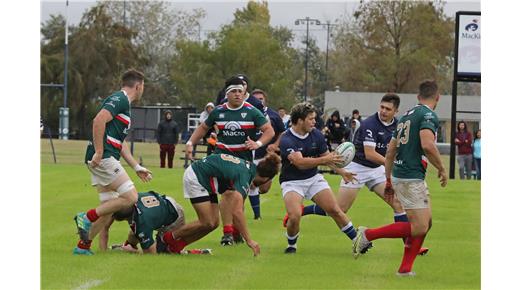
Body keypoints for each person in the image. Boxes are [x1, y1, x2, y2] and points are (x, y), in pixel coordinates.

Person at [300, 93, 429, 256]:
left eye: (388, 109)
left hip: (377, 170)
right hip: (357, 168)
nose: (383, 111)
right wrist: (392, 165)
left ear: (396, 111)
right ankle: (303, 210)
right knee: (339, 209)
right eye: (382, 107)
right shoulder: (370, 124)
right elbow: (370, 154)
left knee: (398, 204)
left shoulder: (399, 125)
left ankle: (410, 247)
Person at [353, 80, 448, 276]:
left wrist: (388, 180)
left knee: (426, 222)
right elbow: (428, 145)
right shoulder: (428, 115)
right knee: (419, 226)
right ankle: (368, 234)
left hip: (401, 175)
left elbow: (390, 151)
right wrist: (441, 167)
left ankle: (405, 269)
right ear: (437, 98)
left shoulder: (405, 116)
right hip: (410, 177)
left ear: (418, 97)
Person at [185, 76, 274, 246]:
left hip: (243, 160)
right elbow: (203, 127)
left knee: (239, 198)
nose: (238, 94)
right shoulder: (218, 111)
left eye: (240, 91)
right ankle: (227, 233)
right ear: (227, 93)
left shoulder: (251, 111)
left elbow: (268, 130)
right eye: (234, 91)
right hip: (223, 159)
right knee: (227, 193)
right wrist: (190, 143)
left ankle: (236, 231)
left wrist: (258, 143)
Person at [73, 69, 153, 255]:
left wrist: (136, 166)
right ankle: (85, 216)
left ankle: (82, 247)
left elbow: (121, 142)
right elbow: (98, 120)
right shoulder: (121, 99)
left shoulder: (124, 104)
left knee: (107, 209)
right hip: (104, 157)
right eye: (143, 87)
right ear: (138, 85)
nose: (143, 90)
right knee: (131, 197)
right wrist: (100, 152)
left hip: (106, 155)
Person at [279, 102, 363, 255]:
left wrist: (342, 172)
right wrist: (323, 161)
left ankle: (358, 240)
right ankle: (292, 244)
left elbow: (326, 157)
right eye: (310, 119)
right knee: (295, 215)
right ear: (299, 121)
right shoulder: (287, 139)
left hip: (313, 179)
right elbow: (300, 163)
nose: (314, 122)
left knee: (335, 210)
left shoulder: (316, 134)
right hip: (292, 182)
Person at [160, 152, 281, 256]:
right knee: (206, 221)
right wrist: (249, 240)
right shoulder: (245, 176)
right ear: (266, 179)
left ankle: (174, 247)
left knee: (213, 223)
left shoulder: (249, 168)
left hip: (209, 178)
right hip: (197, 176)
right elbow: (237, 212)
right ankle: (166, 239)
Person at [109, 191, 211, 254]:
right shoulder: (131, 198)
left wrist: (134, 252)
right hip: (165, 205)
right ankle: (128, 245)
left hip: (174, 218)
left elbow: (151, 253)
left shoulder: (142, 222)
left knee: (163, 251)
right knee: (133, 233)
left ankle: (195, 252)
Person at [248, 89, 286, 219]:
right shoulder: (246, 112)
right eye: (255, 99)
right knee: (251, 185)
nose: (258, 101)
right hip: (249, 156)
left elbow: (283, 132)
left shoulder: (273, 115)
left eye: (261, 98)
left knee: (263, 188)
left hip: (266, 158)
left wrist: (275, 145)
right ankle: (257, 216)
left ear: (265, 100)